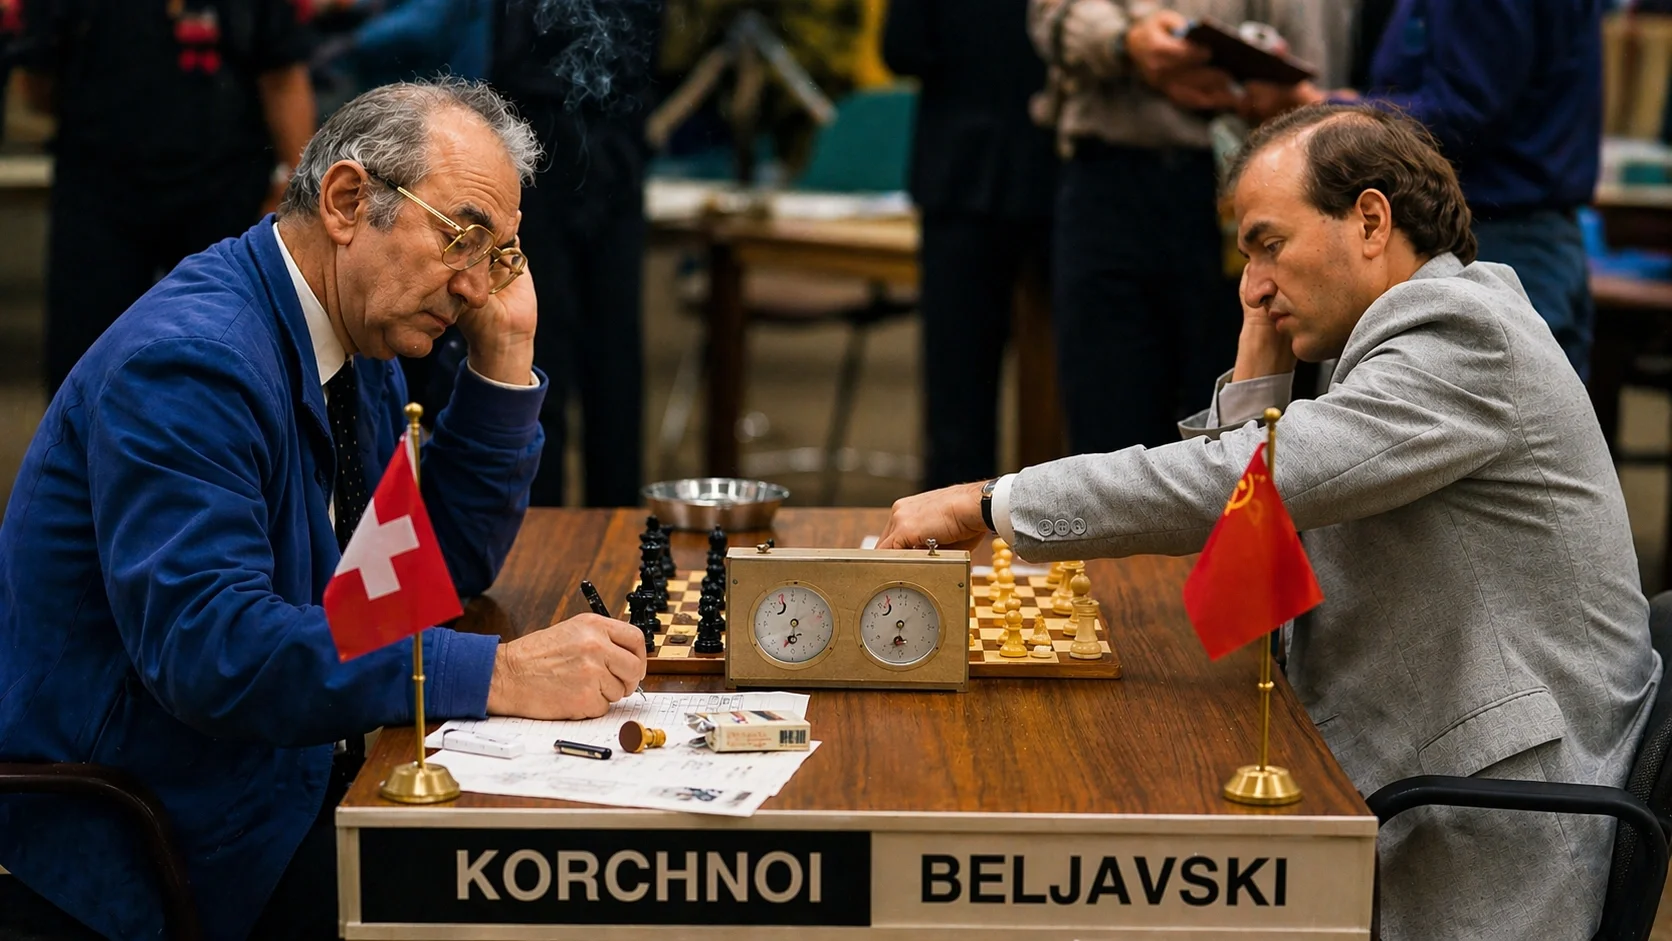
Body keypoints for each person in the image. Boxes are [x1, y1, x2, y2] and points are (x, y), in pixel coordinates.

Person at [877, 104, 1660, 939]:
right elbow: (1242, 589)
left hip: (1485, 836)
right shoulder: (1378, 350)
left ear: (1369, 219)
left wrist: (991, 501)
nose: (1249, 285)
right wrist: (1260, 365)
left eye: (1268, 244)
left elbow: (1236, 482)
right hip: (1387, 779)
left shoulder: (1462, 338)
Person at [0, 79, 649, 941]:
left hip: (278, 775)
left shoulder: (353, 334)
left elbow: (418, 577)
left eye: (495, 256)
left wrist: (506, 358)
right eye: (462, 237)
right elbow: (215, 648)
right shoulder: (192, 366)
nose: (472, 285)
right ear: (348, 201)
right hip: (162, 837)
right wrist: (496, 674)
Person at [1242, 0, 1607, 378]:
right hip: (1532, 236)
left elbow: (1462, 113)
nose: (1255, 290)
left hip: (1494, 236)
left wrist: (1320, 109)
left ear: (1371, 220)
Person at [1027, 0, 1327, 453]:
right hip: (1110, 179)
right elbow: (1050, 16)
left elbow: (1311, 51)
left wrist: (1277, 84)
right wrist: (1126, 41)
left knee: (1240, 423)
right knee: (1108, 417)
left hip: (1242, 185)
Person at [17, 0, 318, 394]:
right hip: (99, 195)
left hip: (226, 191)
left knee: (230, 355)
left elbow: (282, 76)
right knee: (86, 363)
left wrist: (293, 188)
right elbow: (37, 86)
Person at [489, 0, 663, 507]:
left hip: (613, 162)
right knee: (541, 356)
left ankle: (621, 529)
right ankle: (537, 526)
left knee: (615, 365)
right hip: (540, 165)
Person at [881, 0, 1058, 490]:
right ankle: (1073, 529)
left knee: (959, 394)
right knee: (1082, 386)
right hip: (1057, 160)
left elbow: (903, 49)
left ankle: (951, 541)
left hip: (961, 165)